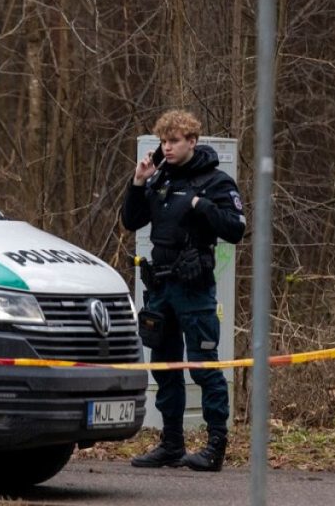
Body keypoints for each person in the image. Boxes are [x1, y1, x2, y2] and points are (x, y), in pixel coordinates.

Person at [121, 109, 246, 472]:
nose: (168, 147)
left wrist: (201, 206)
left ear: (192, 141)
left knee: (205, 369)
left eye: (174, 141)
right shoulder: (158, 179)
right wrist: (138, 182)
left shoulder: (215, 182)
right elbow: (131, 221)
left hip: (194, 290)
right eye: (164, 141)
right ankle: (171, 445)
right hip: (160, 289)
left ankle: (215, 447)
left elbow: (235, 230)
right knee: (164, 367)